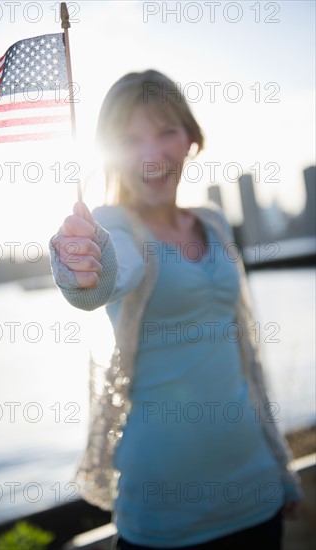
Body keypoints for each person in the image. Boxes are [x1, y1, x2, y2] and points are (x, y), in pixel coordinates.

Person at [49, 70, 303, 549]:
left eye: (167, 131)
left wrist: (282, 468)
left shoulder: (213, 221)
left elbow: (247, 360)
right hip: (164, 515)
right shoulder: (112, 227)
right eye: (129, 139)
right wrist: (81, 266)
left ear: (191, 138)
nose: (152, 154)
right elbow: (100, 278)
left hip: (256, 495)